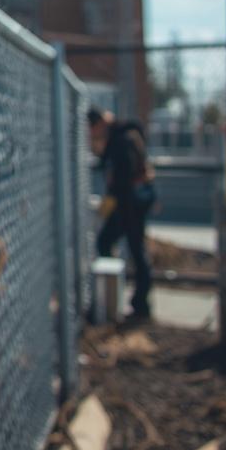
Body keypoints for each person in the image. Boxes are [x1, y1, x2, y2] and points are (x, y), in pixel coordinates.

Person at [89, 106, 156, 321]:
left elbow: (122, 179)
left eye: (92, 130)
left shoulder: (121, 140)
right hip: (131, 203)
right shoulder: (123, 135)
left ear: (99, 124)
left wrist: (115, 207)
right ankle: (131, 300)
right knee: (132, 250)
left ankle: (133, 302)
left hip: (129, 205)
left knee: (127, 248)